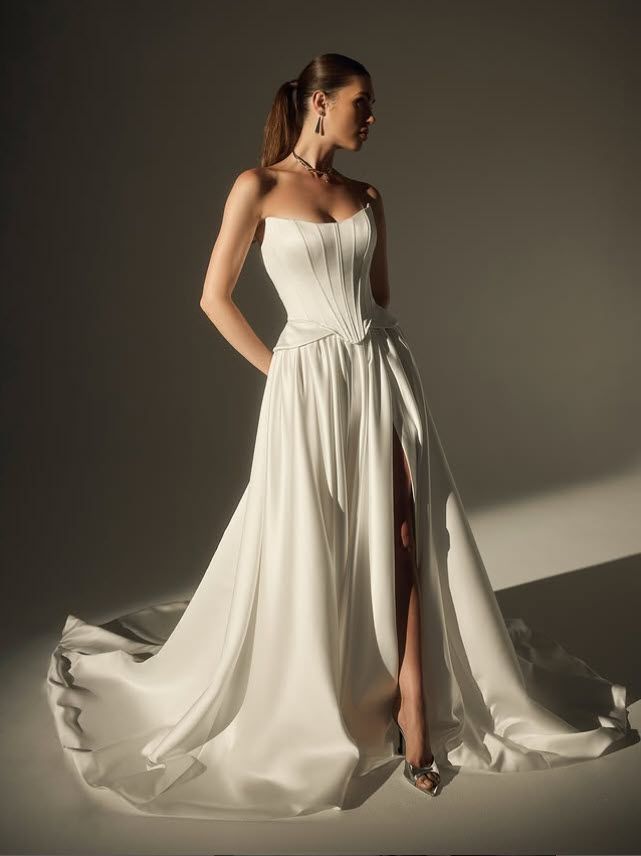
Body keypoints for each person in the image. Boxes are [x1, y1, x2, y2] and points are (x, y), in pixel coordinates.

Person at [46, 52, 633, 821]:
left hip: (382, 375)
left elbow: (377, 296)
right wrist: (282, 371)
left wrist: (358, 336)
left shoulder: (366, 195)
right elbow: (213, 298)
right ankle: (333, 681)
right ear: (317, 103)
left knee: (403, 529)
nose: (371, 116)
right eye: (362, 102)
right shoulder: (255, 187)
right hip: (306, 385)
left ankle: (415, 704)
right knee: (316, 531)